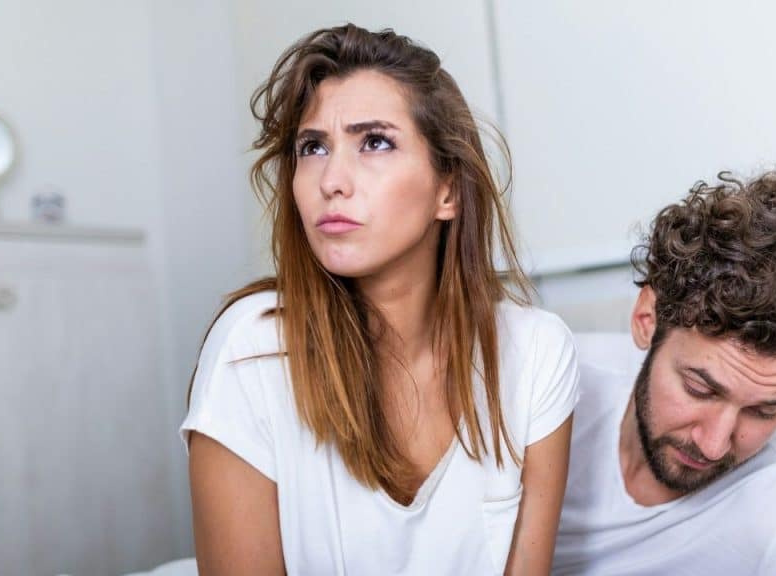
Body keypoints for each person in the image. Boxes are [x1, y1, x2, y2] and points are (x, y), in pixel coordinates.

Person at [181, 24, 578, 575]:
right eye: (313, 147)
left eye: (374, 142)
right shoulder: (252, 348)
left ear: (448, 191)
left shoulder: (536, 351)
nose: (331, 180)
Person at [553, 172, 776, 575]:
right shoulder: (545, 389)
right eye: (699, 389)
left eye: (765, 411)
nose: (714, 446)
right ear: (647, 319)